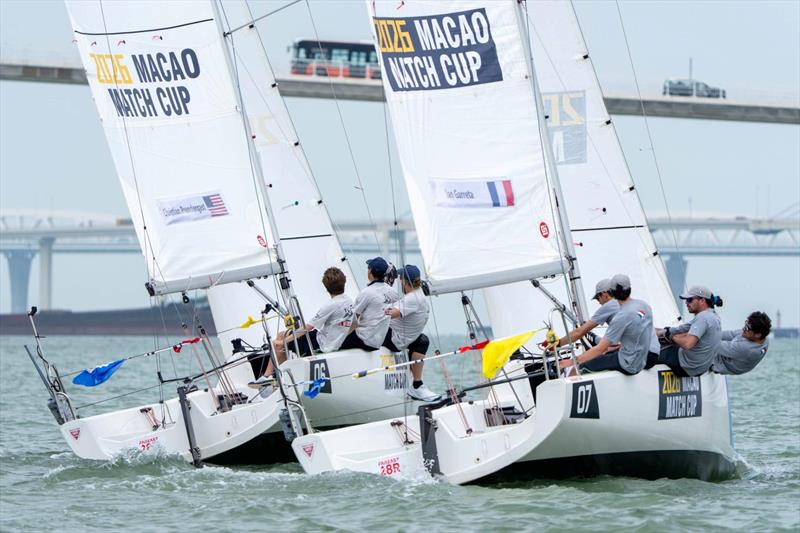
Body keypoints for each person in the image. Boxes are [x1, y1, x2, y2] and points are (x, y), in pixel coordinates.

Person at [249, 267, 354, 387]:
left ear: (326, 287)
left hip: (323, 344)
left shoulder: (330, 305)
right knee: (283, 335)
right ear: (344, 282)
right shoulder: (349, 301)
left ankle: (267, 377)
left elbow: (307, 328)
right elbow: (354, 323)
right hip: (331, 338)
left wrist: (282, 342)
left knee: (281, 340)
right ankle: (273, 376)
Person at [559, 274, 654, 375]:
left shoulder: (610, 306)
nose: (599, 303)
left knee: (577, 370)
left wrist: (558, 344)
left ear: (604, 294)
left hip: (636, 358)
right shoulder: (639, 306)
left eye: (597, 298)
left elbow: (580, 332)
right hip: (652, 354)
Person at [382, 264, 440, 402]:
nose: (400, 281)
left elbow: (393, 314)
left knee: (365, 331)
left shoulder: (412, 298)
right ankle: (417, 384)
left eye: (401, 278)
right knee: (423, 340)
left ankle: (417, 386)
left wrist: (379, 308)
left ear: (405, 281)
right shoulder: (419, 294)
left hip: (394, 339)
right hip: (408, 339)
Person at [649, 285, 723, 376]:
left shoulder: (703, 318)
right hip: (699, 367)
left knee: (649, 353)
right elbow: (681, 329)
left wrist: (672, 337)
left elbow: (688, 344)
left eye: (689, 300)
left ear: (702, 301)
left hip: (686, 366)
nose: (686, 303)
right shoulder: (713, 316)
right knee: (666, 342)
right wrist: (662, 332)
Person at [339, 257, 399, 351]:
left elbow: (353, 320)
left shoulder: (366, 292)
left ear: (370, 271)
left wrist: (340, 336)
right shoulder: (393, 292)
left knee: (327, 336)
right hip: (378, 341)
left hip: (363, 340)